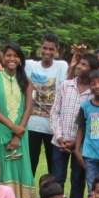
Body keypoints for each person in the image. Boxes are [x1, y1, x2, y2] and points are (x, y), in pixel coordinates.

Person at [0, 42, 36, 198]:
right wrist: (13, 127)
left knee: (18, 165)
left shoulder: (25, 80)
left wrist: (17, 132)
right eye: (8, 55)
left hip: (20, 132)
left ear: (20, 60)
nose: (11, 58)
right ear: (3, 58)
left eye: (15, 56)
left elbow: (28, 108)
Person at [49, 52, 97, 198]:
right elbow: (55, 112)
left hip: (81, 146)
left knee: (77, 180)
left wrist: (77, 142)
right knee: (58, 178)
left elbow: (92, 122)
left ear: (92, 70)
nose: (79, 66)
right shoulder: (65, 85)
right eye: (79, 63)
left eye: (84, 65)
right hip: (59, 142)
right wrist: (60, 136)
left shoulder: (94, 92)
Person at [25, 33, 67, 175]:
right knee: (30, 166)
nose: (47, 52)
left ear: (57, 50)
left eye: (51, 49)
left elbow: (66, 84)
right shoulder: (30, 65)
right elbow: (8, 64)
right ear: (40, 48)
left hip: (53, 128)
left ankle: (52, 197)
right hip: (32, 125)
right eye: (45, 48)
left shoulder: (62, 66)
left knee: (53, 169)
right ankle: (27, 196)